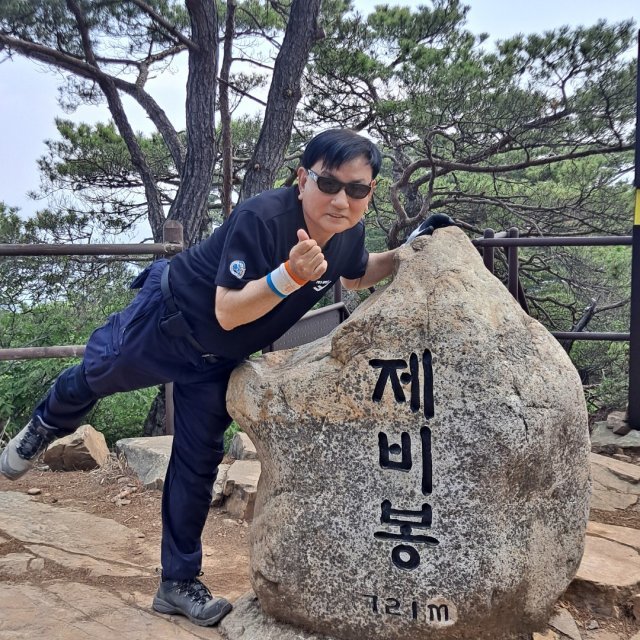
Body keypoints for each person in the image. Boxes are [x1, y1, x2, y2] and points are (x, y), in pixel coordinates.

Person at [0, 129, 453, 628]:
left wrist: (411, 249)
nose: (341, 200)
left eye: (357, 189)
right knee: (93, 377)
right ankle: (46, 424)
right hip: (167, 324)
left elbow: (356, 273)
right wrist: (291, 276)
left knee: (198, 463)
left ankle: (177, 583)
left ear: (370, 191)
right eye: (329, 183)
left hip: (219, 360)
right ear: (303, 178)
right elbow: (228, 311)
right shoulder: (264, 218)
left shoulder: (348, 232)